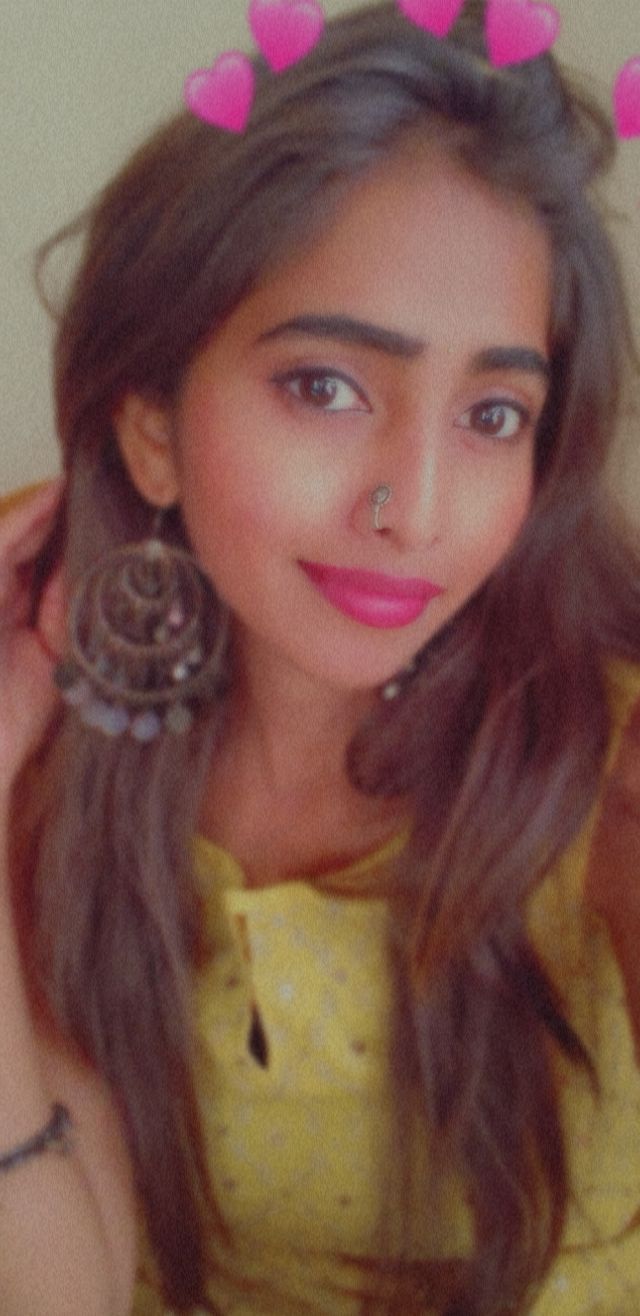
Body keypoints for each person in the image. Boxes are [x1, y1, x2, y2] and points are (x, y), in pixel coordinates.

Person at [1, 1, 640, 1312]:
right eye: (326, 387)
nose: (416, 508)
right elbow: (65, 1287)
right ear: (153, 429)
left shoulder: (608, 779)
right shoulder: (56, 741)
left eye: (493, 413)